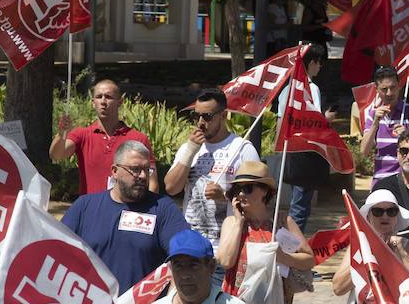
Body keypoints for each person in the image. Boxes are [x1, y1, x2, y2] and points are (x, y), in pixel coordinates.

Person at [216, 160, 313, 304]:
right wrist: (239, 223)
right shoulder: (231, 224)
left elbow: (309, 259)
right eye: (237, 189)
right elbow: (225, 261)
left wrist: (282, 256)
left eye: (248, 188)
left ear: (264, 192)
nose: (241, 194)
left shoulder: (282, 222)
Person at [61, 139, 191, 292]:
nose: (142, 176)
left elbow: (185, 255)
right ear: (114, 171)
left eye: (146, 170)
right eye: (135, 169)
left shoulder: (162, 208)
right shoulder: (84, 206)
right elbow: (58, 250)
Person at [165, 86, 261, 250]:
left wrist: (224, 196)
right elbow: (171, 188)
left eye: (207, 116)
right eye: (197, 116)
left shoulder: (243, 149)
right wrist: (190, 151)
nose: (201, 122)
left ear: (224, 115)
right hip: (192, 245)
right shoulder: (189, 148)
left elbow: (258, 199)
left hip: (226, 245)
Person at [51, 77, 159, 195]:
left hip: (126, 210)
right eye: (98, 97)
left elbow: (152, 184)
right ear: (93, 102)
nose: (103, 101)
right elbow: (56, 155)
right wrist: (61, 133)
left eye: (108, 97)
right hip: (92, 209)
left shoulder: (138, 139)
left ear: (120, 102)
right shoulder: (82, 135)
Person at [278, 42, 329, 230]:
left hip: (291, 150)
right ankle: (292, 246)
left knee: (298, 203)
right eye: (318, 62)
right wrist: (327, 119)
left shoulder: (287, 89)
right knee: (300, 206)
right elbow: (314, 120)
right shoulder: (311, 88)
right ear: (311, 62)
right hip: (306, 153)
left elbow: (280, 122)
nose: (320, 66)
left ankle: (291, 244)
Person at [360, 65, 409, 180]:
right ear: (376, 90)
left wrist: (408, 135)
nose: (389, 93)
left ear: (399, 87)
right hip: (381, 180)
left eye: (393, 87)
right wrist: (375, 124)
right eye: (384, 89)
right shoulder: (373, 115)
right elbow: (364, 152)